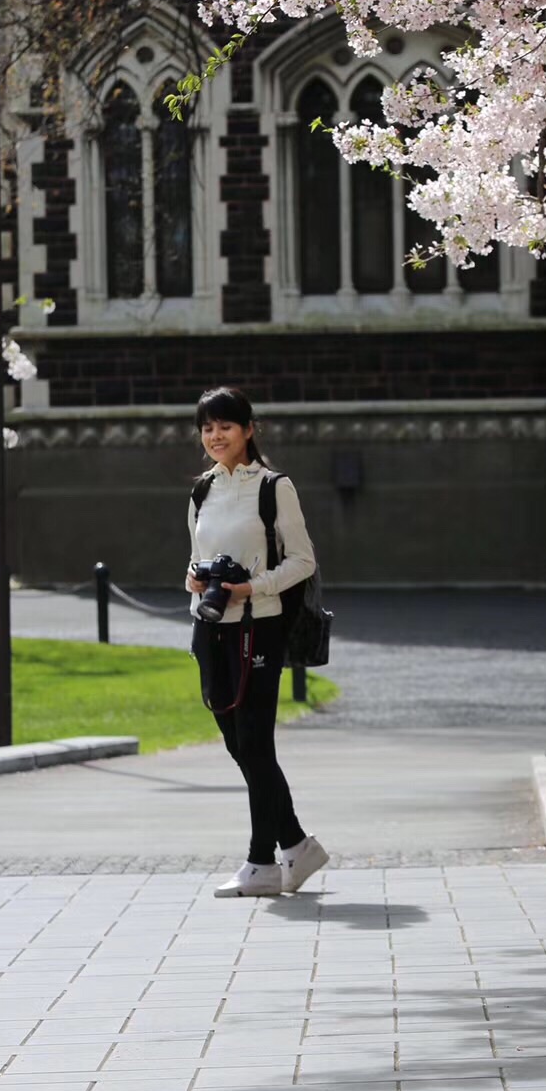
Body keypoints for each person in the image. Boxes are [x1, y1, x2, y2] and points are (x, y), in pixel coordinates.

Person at [186, 385, 330, 898]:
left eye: (225, 425)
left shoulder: (273, 487)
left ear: (248, 429)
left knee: (254, 742)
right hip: (211, 628)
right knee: (236, 743)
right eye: (207, 427)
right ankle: (293, 844)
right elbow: (194, 556)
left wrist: (255, 586)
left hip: (259, 626)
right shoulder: (202, 490)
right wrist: (196, 581)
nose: (215, 435)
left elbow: (303, 560)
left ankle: (261, 860)